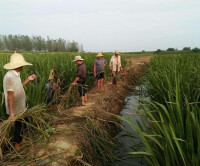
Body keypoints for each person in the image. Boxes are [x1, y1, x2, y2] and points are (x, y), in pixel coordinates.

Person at [3, 52, 36, 150]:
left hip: (22, 104)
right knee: (18, 125)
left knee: (24, 122)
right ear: (18, 65)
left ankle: (21, 140)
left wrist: (28, 79)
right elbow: (10, 95)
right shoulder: (10, 77)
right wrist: (12, 114)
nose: (23, 66)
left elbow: (18, 87)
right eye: (22, 64)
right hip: (16, 107)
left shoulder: (16, 74)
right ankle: (16, 144)